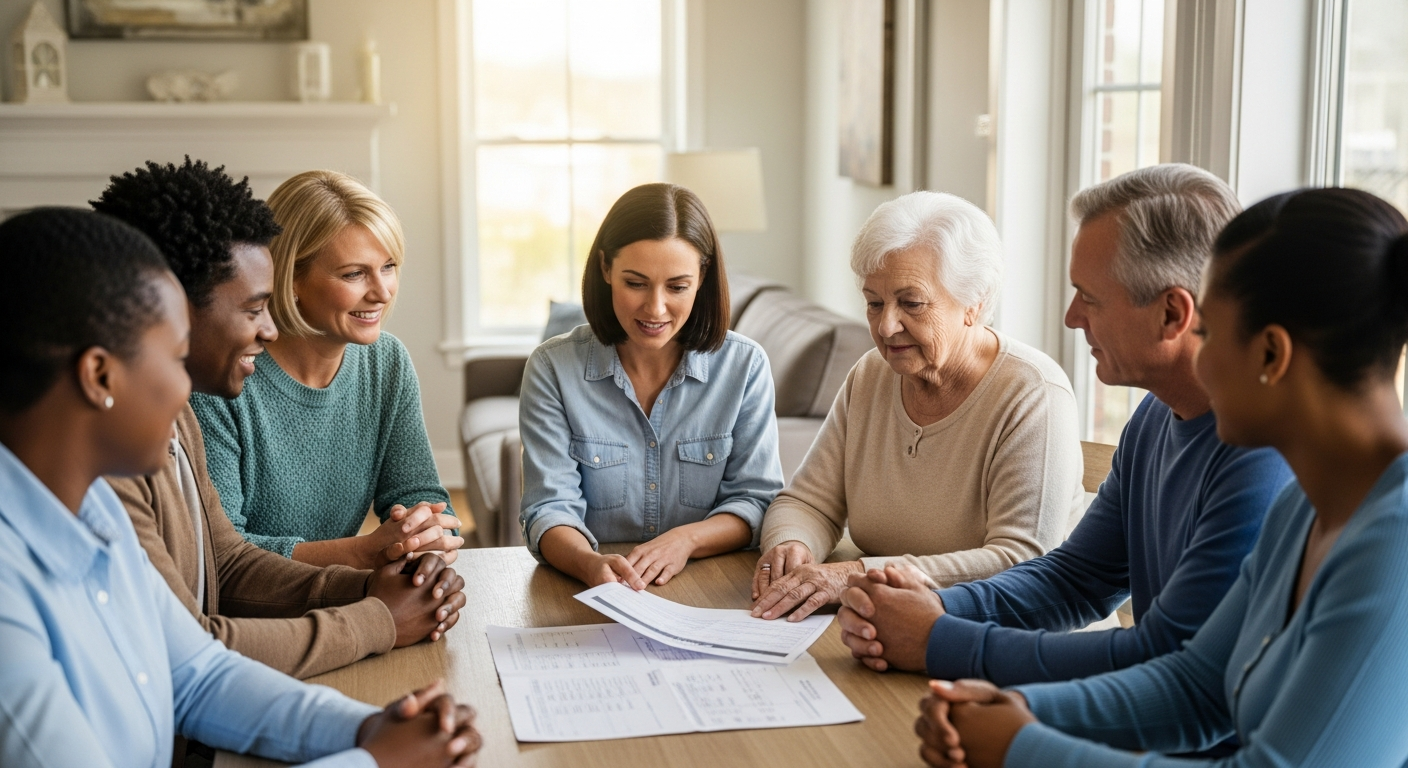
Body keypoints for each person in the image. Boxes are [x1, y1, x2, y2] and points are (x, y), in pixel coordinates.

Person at [915, 187, 1408, 768]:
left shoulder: (1393, 543)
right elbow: (1197, 686)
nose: (1195, 358)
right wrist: (1011, 709)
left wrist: (1023, 747)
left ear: (1271, 356)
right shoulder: (1304, 507)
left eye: (1209, 333)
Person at [0, 207, 481, 768]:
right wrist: (378, 762)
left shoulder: (95, 512)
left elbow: (197, 674)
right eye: (176, 357)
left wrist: (367, 727)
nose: (187, 391)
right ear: (100, 376)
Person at [836, 165, 1292, 714]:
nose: (1072, 318)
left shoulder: (1262, 456)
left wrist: (938, 638)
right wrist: (932, 605)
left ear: (1172, 313)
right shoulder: (1154, 417)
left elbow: (1174, 663)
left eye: (1089, 297)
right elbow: (1078, 579)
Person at [93, 159, 466, 681]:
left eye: (389, 266)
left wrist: (393, 567)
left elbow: (225, 563)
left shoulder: (176, 413)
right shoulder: (131, 443)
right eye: (253, 309)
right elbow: (193, 646)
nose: (269, 330)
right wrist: (372, 607)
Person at [751, 191, 1084, 622]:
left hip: (1008, 635)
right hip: (887, 619)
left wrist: (856, 575)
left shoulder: (1033, 393)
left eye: (911, 303)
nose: (886, 325)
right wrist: (790, 546)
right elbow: (808, 502)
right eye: (874, 303)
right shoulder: (872, 373)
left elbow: (1019, 559)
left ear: (974, 303)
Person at [519, 183, 784, 588]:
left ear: (702, 276)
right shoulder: (553, 368)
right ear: (606, 268)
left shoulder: (745, 366)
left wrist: (685, 540)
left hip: (712, 584)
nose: (655, 308)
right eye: (636, 283)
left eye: (677, 287)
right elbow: (549, 508)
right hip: (589, 587)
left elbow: (756, 501)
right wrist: (589, 564)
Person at [192, 170, 461, 568]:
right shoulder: (220, 377)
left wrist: (426, 533)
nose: (382, 292)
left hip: (345, 592)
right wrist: (364, 552)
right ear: (290, 277)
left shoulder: (386, 361)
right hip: (252, 613)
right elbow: (222, 555)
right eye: (354, 273)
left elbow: (419, 495)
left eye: (388, 266)